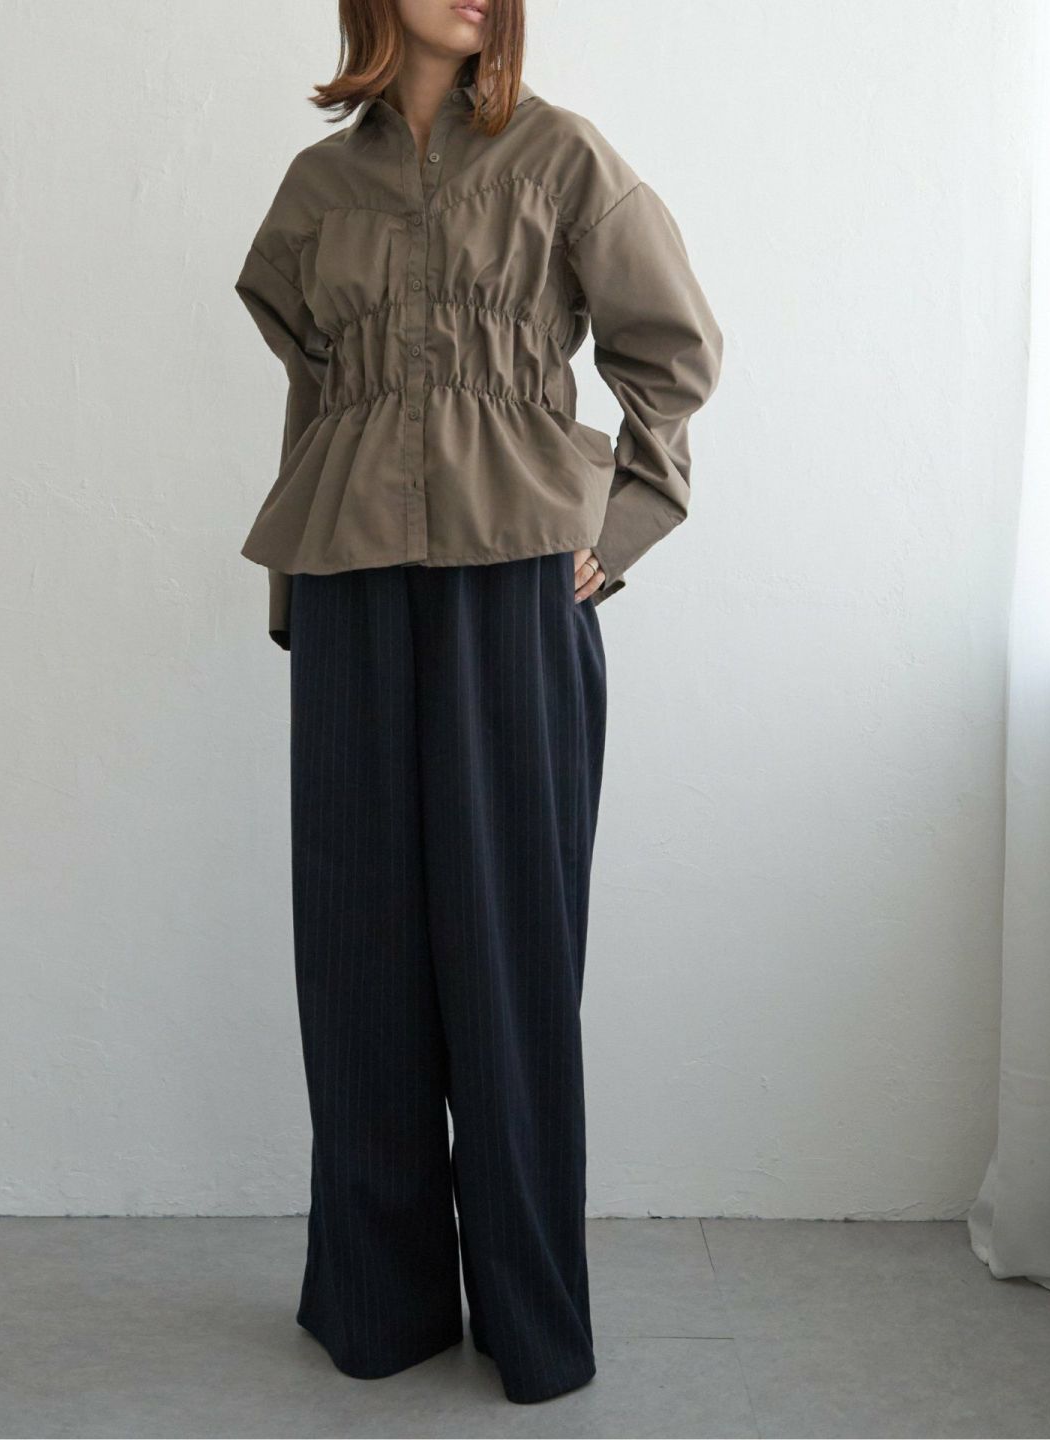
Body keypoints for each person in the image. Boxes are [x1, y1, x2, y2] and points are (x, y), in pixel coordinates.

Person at [233, 0, 722, 1406]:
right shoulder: (317, 188)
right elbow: (315, 400)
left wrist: (620, 525)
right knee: (357, 946)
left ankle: (528, 1315)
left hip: (516, 581)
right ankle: (377, 1305)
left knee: (508, 953)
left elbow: (674, 351)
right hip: (351, 584)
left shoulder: (562, 156)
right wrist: (295, 589)